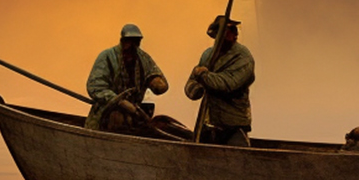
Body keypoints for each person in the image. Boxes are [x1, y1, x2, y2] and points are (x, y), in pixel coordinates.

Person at [185, 15, 255, 146]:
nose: (232, 34)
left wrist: (204, 75)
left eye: (232, 30)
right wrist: (194, 88)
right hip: (209, 123)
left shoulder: (243, 57)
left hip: (234, 125)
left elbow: (227, 83)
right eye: (226, 30)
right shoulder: (208, 55)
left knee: (237, 160)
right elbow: (192, 81)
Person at [85, 24, 168, 131]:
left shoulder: (143, 59)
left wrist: (156, 81)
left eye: (135, 41)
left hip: (136, 116)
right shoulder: (107, 57)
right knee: (116, 119)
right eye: (129, 41)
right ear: (123, 40)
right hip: (106, 115)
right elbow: (95, 86)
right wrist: (120, 102)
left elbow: (155, 75)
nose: (132, 45)